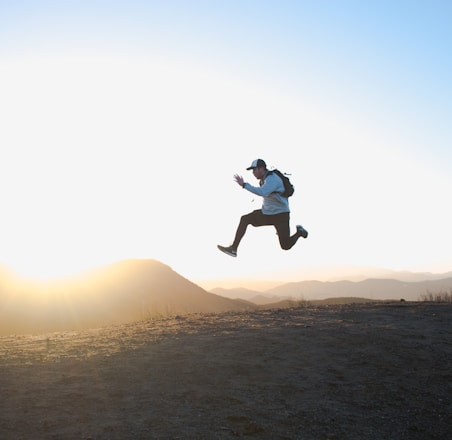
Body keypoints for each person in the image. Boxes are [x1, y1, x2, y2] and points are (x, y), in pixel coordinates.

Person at [217, 158, 308, 257]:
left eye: (254, 169)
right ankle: (233, 249)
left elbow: (262, 192)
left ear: (262, 168)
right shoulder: (264, 180)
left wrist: (244, 185)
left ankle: (299, 232)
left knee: (285, 245)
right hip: (267, 214)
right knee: (245, 219)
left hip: (281, 216)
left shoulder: (272, 179)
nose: (253, 173)